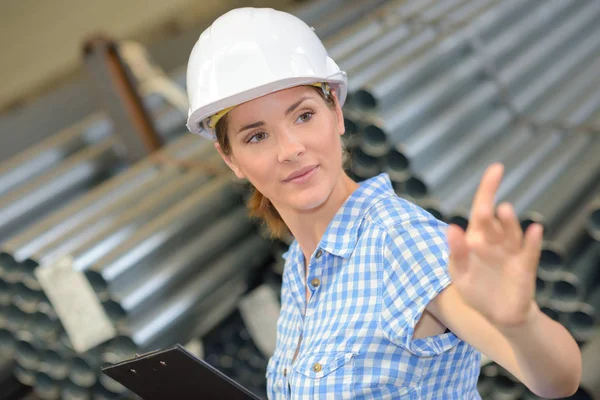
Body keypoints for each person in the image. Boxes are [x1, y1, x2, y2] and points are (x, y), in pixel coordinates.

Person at [185, 7, 582, 399]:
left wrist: (522, 323)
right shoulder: (299, 269)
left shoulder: (400, 243)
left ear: (336, 114)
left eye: (303, 115)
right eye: (257, 136)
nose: (290, 149)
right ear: (230, 158)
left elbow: (556, 381)